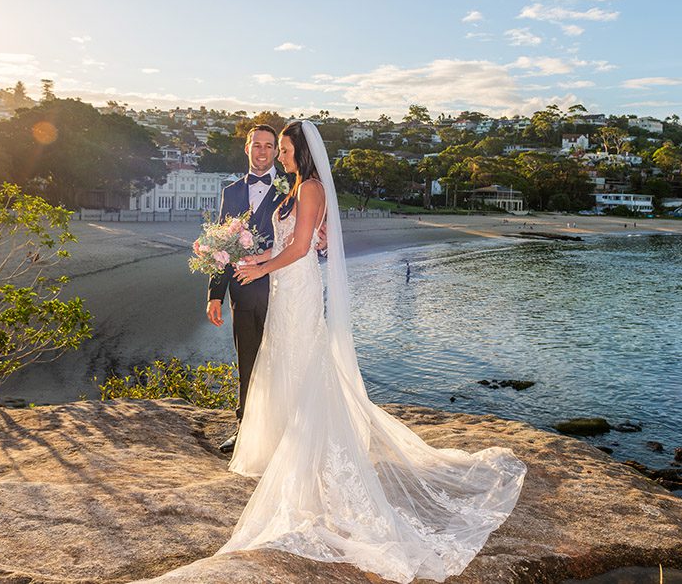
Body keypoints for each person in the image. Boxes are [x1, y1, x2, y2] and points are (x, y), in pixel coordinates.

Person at [225, 120, 525, 583]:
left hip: (298, 289)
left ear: (300, 151)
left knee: (303, 365)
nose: (280, 156)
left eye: (284, 150)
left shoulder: (310, 189)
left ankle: (310, 457)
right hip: (289, 287)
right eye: (277, 150)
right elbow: (309, 241)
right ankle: (284, 448)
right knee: (286, 362)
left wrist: (260, 264)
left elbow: (301, 246)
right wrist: (268, 259)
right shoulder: (301, 187)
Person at [206, 124, 282, 453]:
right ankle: (244, 429)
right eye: (257, 145)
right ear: (247, 148)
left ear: (278, 151)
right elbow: (222, 245)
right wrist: (215, 295)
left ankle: (285, 432)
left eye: (269, 146)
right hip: (243, 293)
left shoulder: (291, 188)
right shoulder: (231, 193)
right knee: (247, 362)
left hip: (283, 290)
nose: (262, 151)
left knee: (282, 361)